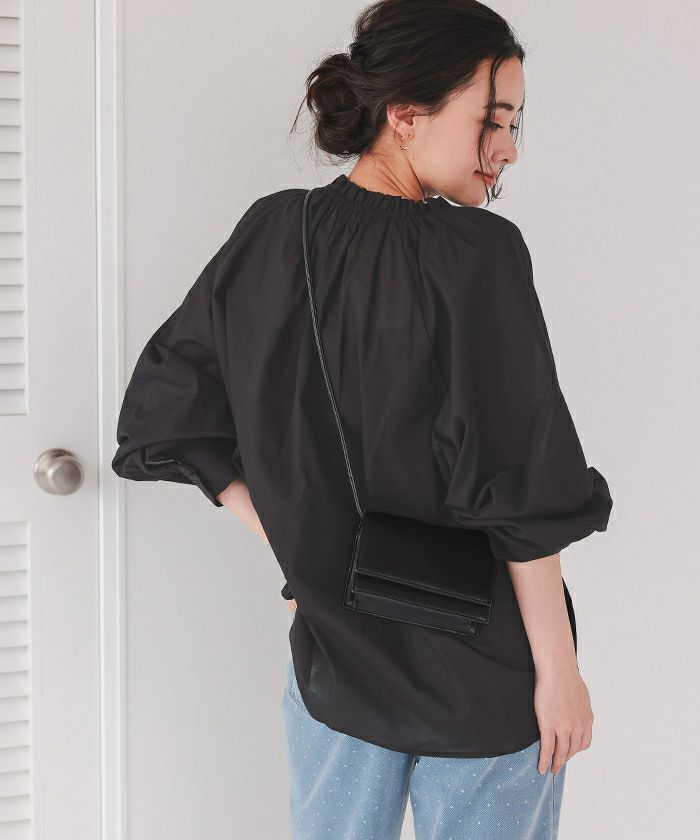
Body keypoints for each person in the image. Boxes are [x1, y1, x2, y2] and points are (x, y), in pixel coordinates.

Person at [111, 1, 613, 837]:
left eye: (514, 124)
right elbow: (520, 482)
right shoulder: (478, 256)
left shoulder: (274, 231)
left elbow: (171, 413)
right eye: (493, 120)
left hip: (336, 658)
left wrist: (303, 557)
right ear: (406, 114)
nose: (508, 149)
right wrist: (558, 670)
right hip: (484, 672)